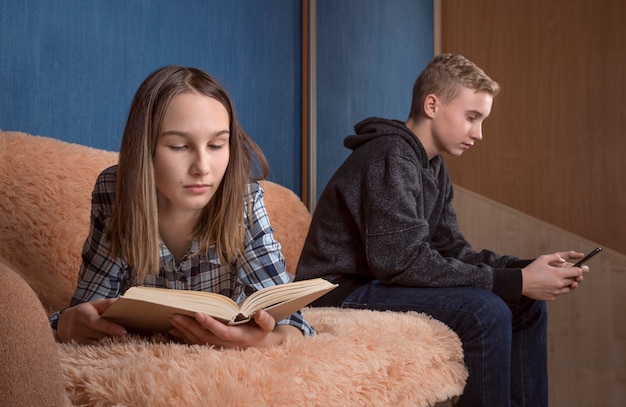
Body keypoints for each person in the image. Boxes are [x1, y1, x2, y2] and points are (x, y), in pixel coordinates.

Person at [295, 53, 589, 406]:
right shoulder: (390, 155)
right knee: (487, 311)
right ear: (432, 104)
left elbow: (453, 250)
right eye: (471, 117)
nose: (478, 133)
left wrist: (523, 270)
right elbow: (401, 263)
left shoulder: (433, 166)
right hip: (337, 289)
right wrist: (518, 281)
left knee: (525, 304)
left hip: (376, 281)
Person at [50, 65, 314, 347]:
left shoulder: (244, 198)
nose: (202, 167)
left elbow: (293, 325)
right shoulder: (115, 191)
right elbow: (88, 308)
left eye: (216, 145)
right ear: (145, 148)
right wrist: (68, 324)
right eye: (179, 146)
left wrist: (264, 342)